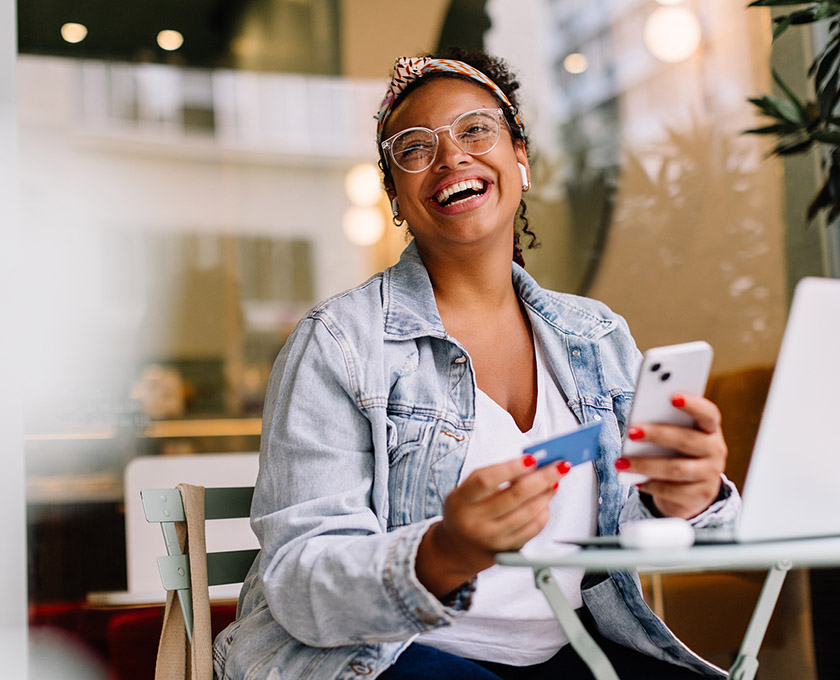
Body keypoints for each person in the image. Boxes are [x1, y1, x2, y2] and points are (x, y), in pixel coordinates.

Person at [213, 49, 740, 680]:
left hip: (569, 648)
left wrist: (688, 498)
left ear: (519, 158)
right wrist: (444, 551)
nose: (451, 157)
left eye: (475, 130)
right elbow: (301, 581)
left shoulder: (596, 336)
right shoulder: (337, 344)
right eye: (414, 148)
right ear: (396, 199)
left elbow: (632, 529)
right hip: (380, 657)